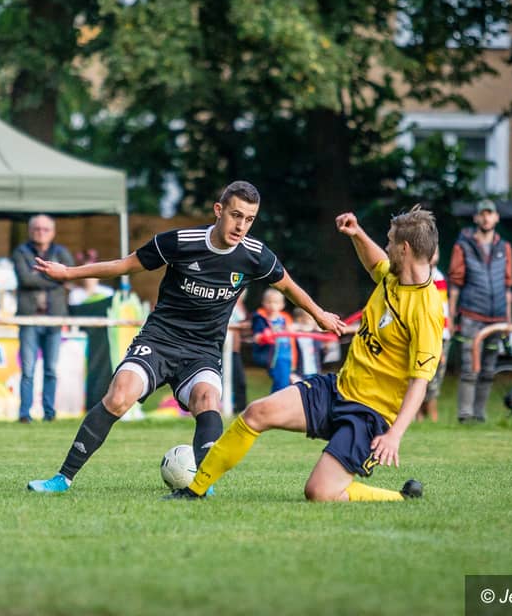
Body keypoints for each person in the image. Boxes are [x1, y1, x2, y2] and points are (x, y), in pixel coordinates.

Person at [26, 181, 344, 493]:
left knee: (208, 399)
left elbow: (287, 285)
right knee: (120, 395)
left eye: (249, 219)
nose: (241, 226)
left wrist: (319, 315)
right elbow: (124, 266)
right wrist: (68, 273)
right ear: (218, 210)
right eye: (235, 215)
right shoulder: (180, 242)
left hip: (202, 351)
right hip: (159, 340)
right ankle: (62, 479)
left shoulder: (255, 255)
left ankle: (202, 486)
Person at [170, 206, 442, 503]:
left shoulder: (426, 310)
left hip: (370, 415)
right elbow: (374, 263)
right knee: (257, 413)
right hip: (339, 389)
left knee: (319, 493)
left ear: (404, 248)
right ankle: (194, 491)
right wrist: (357, 234)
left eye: (390, 241)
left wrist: (394, 435)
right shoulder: (392, 277)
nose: (386, 247)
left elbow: (420, 381)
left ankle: (401, 498)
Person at [448, 199, 512, 423]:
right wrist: (451, 317)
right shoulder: (463, 246)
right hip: (471, 316)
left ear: (496, 217)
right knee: (469, 368)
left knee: (488, 370)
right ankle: (465, 414)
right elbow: (455, 284)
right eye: (482, 214)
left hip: (497, 319)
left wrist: (509, 320)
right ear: (476, 218)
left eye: (490, 214)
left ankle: (480, 414)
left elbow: (507, 285)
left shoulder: (505, 247)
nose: (486, 218)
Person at [12, 214, 74, 423]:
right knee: (27, 370)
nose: (41, 232)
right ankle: (24, 414)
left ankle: (49, 413)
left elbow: (70, 275)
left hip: (54, 318)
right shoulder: (21, 252)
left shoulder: (61, 252)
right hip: (29, 319)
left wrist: (42, 277)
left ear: (53, 232)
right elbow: (25, 279)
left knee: (51, 370)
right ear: (30, 231)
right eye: (37, 228)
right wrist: (56, 279)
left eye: (45, 229)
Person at [418, 246, 450, 422]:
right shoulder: (413, 277)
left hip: (440, 334)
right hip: (421, 333)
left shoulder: (438, 278)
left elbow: (442, 310)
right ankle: (419, 416)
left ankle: (431, 416)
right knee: (419, 376)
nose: (432, 255)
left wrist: (443, 335)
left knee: (435, 378)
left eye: (435, 252)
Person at [251, 289, 295, 392]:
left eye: (276, 302)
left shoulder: (285, 319)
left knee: (285, 384)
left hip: (288, 357)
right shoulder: (260, 319)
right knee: (282, 385)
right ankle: (276, 401)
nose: (272, 306)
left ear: (282, 305)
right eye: (269, 302)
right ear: (263, 303)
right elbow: (256, 337)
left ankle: (275, 400)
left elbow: (294, 334)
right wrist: (264, 336)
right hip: (274, 358)